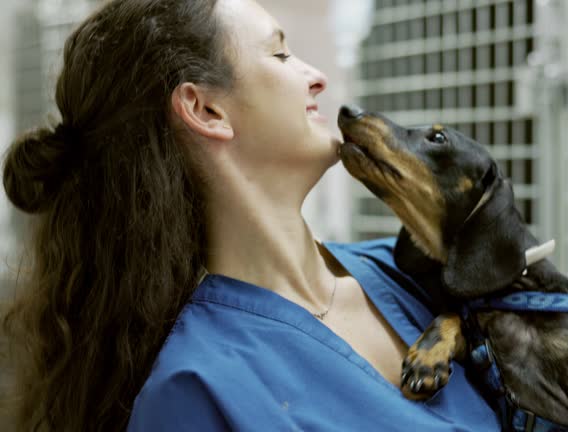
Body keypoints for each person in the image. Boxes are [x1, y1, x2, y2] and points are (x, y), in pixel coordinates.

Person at [1, 0, 499, 430]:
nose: (317, 77)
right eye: (281, 53)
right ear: (205, 110)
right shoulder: (195, 390)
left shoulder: (417, 276)